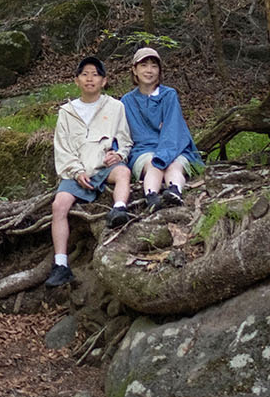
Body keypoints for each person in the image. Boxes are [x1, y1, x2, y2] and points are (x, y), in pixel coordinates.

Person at [45, 55, 133, 287]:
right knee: (59, 204)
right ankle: (61, 263)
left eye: (95, 74)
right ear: (76, 81)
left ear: (104, 81)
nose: (90, 79)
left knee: (123, 174)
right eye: (85, 74)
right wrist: (75, 172)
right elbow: (62, 148)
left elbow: (125, 139)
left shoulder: (115, 107)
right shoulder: (67, 112)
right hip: (77, 170)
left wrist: (120, 154)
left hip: (104, 166)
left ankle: (119, 210)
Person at [121, 47, 202, 211]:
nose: (149, 70)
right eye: (144, 65)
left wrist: (164, 154)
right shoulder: (127, 101)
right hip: (143, 150)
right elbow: (123, 133)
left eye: (154, 66)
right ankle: (151, 196)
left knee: (174, 165)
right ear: (134, 70)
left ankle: (175, 191)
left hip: (174, 147)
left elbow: (173, 128)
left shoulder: (169, 95)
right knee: (152, 164)